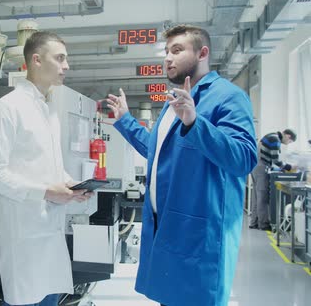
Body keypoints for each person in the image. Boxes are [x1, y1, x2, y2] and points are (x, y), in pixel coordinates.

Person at [106, 24, 257, 306]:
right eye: (166, 51)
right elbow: (158, 152)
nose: (167, 58)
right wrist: (126, 121)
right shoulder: (173, 101)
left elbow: (244, 158)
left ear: (202, 53)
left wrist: (195, 123)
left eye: (176, 50)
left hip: (199, 234)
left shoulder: (228, 97)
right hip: (167, 227)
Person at [0, 31, 93, 306]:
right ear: (37, 60)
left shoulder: (48, 109)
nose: (66, 66)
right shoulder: (6, 108)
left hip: (49, 230)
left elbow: (47, 165)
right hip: (25, 234)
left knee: (49, 296)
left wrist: (69, 185)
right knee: (25, 297)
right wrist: (45, 192)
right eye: (60, 58)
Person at [249, 129, 297, 231]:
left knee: (257, 196)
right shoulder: (275, 139)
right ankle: (264, 224)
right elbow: (276, 160)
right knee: (262, 196)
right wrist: (289, 167)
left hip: (256, 167)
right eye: (290, 142)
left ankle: (254, 222)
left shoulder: (272, 135)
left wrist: (279, 167)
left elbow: (271, 158)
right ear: (288, 136)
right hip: (261, 167)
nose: (288, 144)